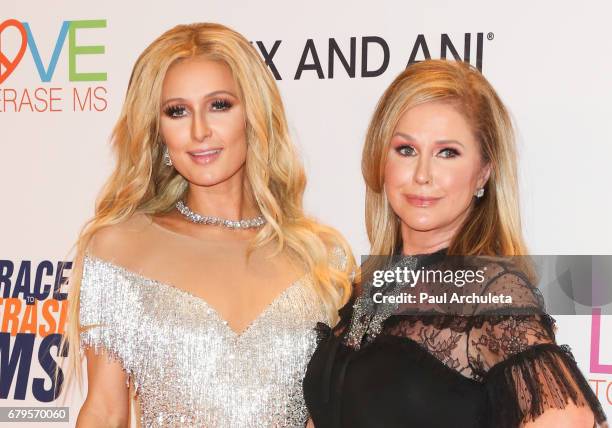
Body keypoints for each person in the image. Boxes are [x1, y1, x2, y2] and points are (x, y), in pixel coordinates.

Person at [57, 22, 355, 427]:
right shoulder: (119, 248)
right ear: (159, 131)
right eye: (177, 111)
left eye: (219, 105)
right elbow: (106, 410)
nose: (199, 131)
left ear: (253, 114)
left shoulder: (322, 258)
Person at [303, 59, 607, 427]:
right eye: (406, 150)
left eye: (447, 152)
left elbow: (569, 419)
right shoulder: (368, 286)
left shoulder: (490, 292)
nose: (422, 175)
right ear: (380, 158)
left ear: (483, 172)